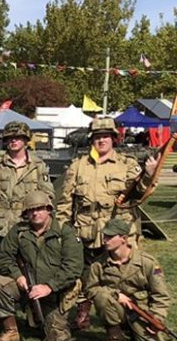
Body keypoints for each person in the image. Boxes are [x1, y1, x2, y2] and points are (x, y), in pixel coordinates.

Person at [57, 116, 156, 329]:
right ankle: (82, 314)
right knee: (83, 274)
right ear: (92, 140)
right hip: (84, 229)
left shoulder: (126, 164)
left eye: (106, 137)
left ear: (114, 139)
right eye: (97, 137)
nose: (101, 141)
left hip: (116, 230)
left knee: (119, 274)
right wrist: (63, 229)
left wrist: (148, 176)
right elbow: (65, 202)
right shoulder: (78, 165)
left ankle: (126, 318)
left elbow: (138, 194)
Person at [0, 190, 83, 341]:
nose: (35, 213)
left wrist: (49, 287)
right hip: (27, 288)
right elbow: (3, 258)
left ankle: (51, 320)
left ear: (49, 210)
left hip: (55, 293)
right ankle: (10, 331)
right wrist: (17, 275)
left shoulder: (65, 232)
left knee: (56, 338)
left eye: (39, 209)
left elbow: (73, 268)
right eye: (30, 210)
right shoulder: (18, 231)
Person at [85, 217, 172, 341]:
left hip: (140, 312)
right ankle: (116, 339)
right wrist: (115, 294)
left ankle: (132, 333)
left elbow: (161, 295)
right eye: (104, 235)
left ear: (123, 238)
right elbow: (90, 289)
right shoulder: (99, 264)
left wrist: (157, 317)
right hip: (116, 309)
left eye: (109, 236)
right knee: (103, 296)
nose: (104, 239)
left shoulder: (147, 262)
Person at [0, 120, 52, 241]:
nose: (13, 141)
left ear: (25, 140)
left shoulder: (38, 166)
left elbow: (47, 195)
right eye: (9, 138)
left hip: (26, 225)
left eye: (18, 137)